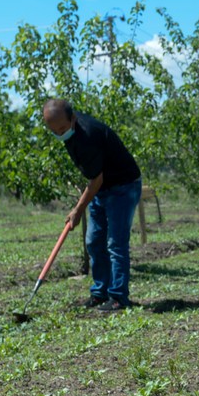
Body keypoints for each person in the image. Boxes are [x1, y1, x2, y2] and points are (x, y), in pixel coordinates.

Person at [42, 99, 142, 311]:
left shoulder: (88, 136)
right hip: (102, 187)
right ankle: (100, 293)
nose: (59, 134)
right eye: (54, 131)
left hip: (122, 186)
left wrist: (77, 210)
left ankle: (118, 298)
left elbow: (96, 180)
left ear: (73, 118)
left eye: (62, 129)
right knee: (95, 241)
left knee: (116, 244)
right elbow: (96, 180)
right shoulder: (69, 132)